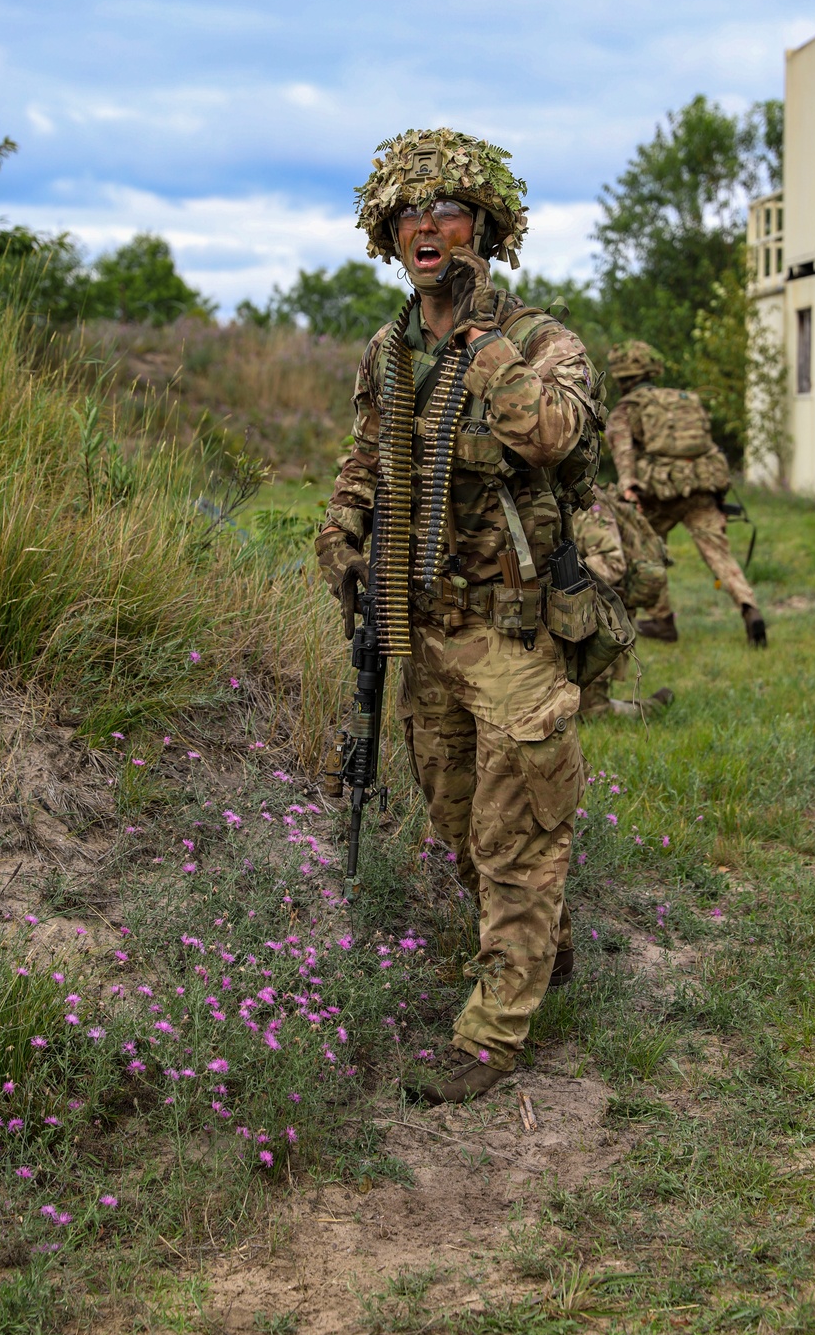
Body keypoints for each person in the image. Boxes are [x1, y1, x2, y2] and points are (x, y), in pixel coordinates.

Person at [315, 129, 605, 1104]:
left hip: (515, 632)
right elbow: (370, 454)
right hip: (424, 630)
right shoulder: (388, 352)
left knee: (513, 831)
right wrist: (344, 526)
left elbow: (553, 439)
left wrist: (481, 347)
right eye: (405, 212)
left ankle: (492, 1037)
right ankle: (541, 944)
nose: (423, 226)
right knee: (453, 821)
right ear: (384, 232)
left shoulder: (539, 342)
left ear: (483, 226)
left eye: (443, 210)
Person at [605, 340, 767, 648]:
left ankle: (663, 619)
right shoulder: (682, 399)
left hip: (659, 496)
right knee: (718, 554)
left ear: (621, 377)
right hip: (701, 490)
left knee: (647, 550)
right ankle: (749, 607)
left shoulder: (626, 410)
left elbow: (623, 453)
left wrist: (629, 489)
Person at [572, 486, 673, 721]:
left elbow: (612, 561)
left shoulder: (585, 500)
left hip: (601, 617)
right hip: (574, 613)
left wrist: (557, 588)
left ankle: (652, 708)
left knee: (591, 712)